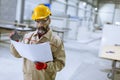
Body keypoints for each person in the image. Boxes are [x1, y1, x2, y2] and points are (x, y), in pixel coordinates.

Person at [10, 4, 66, 80]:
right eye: (37, 21)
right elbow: (17, 55)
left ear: (49, 20)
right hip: (28, 77)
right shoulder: (28, 37)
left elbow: (60, 64)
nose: (40, 24)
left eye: (44, 20)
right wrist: (14, 41)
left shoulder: (56, 41)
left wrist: (46, 66)